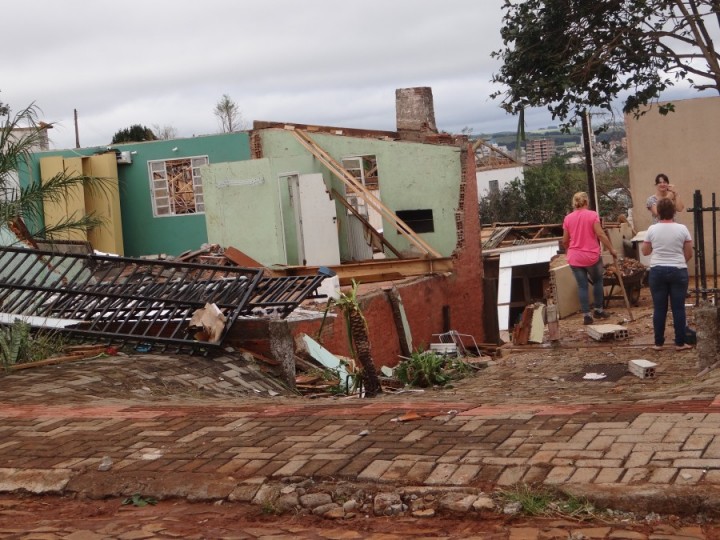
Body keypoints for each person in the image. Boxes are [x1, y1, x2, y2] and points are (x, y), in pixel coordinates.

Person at [641, 197, 693, 351]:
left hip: (657, 270)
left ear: (659, 213)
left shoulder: (652, 229)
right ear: (673, 212)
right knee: (678, 308)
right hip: (678, 269)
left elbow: (645, 251)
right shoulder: (682, 229)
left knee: (659, 308)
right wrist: (678, 261)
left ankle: (658, 343)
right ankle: (680, 342)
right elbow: (689, 253)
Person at [562, 191, 618, 325]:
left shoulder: (568, 218)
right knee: (598, 281)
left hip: (575, 257)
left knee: (582, 286)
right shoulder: (592, 215)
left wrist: (568, 252)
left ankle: (587, 315)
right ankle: (598, 310)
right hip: (591, 256)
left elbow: (565, 240)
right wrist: (612, 249)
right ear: (586, 202)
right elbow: (600, 234)